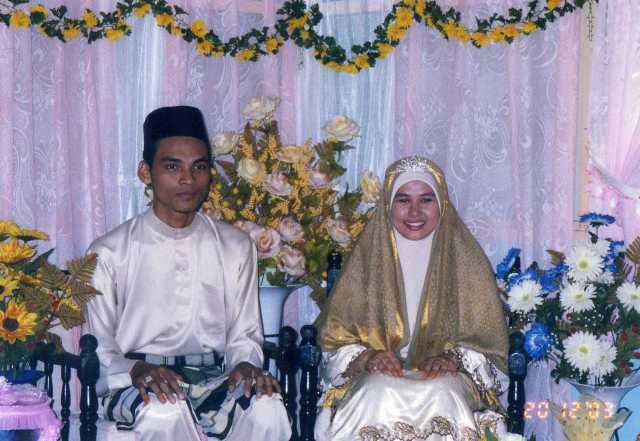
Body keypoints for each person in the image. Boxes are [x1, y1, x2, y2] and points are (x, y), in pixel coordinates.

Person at [84, 105, 291, 441]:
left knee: (268, 408)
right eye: (172, 166)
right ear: (145, 172)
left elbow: (245, 335)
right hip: (137, 380)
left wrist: (245, 365)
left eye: (199, 167)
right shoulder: (109, 252)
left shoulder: (236, 246)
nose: (188, 179)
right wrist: (138, 369)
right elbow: (99, 349)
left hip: (212, 380)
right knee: (164, 409)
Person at [314, 156, 509, 441]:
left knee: (441, 391)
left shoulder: (468, 264)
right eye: (403, 200)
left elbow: (491, 348)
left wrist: (453, 358)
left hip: (447, 379)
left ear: (441, 204)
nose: (414, 211)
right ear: (388, 205)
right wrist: (369, 357)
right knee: (378, 391)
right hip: (377, 378)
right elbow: (334, 343)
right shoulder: (365, 262)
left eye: (426, 200)